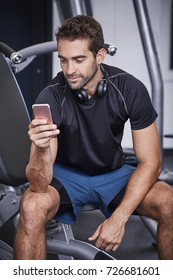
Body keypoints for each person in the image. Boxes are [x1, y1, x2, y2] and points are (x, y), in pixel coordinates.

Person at [14, 15, 173, 260]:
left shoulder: (129, 89)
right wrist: (41, 147)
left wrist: (118, 219)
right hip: (66, 177)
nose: (69, 70)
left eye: (78, 60)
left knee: (169, 202)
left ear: (100, 56)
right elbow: (38, 185)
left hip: (113, 173)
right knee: (31, 206)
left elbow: (152, 163)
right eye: (63, 60)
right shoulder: (51, 97)